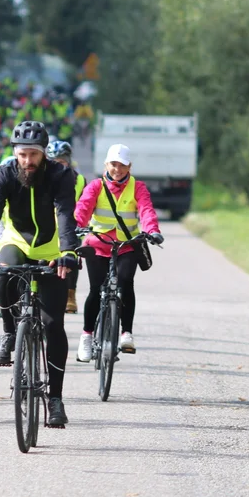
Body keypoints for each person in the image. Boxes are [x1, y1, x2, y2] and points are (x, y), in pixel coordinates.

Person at [0, 120, 79, 427]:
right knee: (5, 272)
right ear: (15, 153)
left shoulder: (60, 175)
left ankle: (56, 399)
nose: (27, 161)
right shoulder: (6, 174)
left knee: (53, 324)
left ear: (43, 153)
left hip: (50, 248)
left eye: (33, 155)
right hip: (15, 241)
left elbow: (65, 212)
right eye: (22, 154)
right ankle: (9, 332)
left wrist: (69, 251)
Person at [74, 144, 164, 361]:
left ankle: (126, 333)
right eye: (114, 164)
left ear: (129, 166)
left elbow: (146, 210)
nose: (117, 169)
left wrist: (152, 230)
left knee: (125, 282)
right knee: (96, 289)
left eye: (122, 165)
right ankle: (86, 336)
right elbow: (83, 209)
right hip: (98, 243)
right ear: (106, 164)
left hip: (126, 244)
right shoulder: (96, 186)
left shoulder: (138, 187)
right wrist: (75, 226)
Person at [46, 140, 86, 313]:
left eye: (61, 161)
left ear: (68, 161)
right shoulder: (43, 179)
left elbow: (85, 204)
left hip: (71, 225)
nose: (58, 165)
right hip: (47, 225)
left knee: (72, 260)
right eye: (54, 161)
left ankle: (71, 295)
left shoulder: (79, 180)